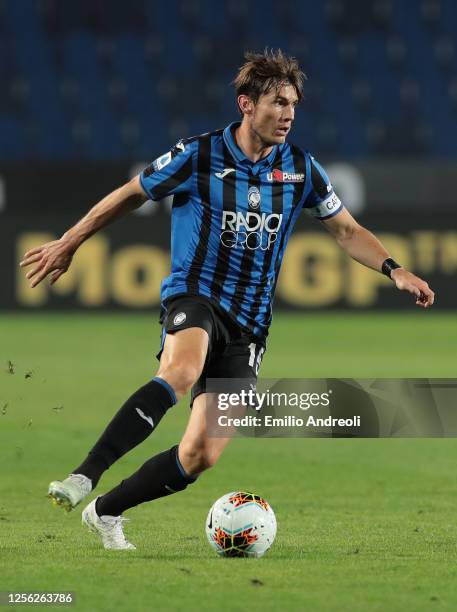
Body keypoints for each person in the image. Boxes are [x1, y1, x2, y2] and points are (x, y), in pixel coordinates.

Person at [19, 49, 435, 550]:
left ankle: (105, 511)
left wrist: (394, 269)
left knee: (200, 454)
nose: (287, 114)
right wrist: (70, 241)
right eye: (278, 102)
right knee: (181, 371)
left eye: (294, 106)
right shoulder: (198, 155)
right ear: (246, 103)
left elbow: (347, 231)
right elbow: (131, 193)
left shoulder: (301, 169)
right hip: (195, 296)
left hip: (250, 326)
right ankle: (85, 474)